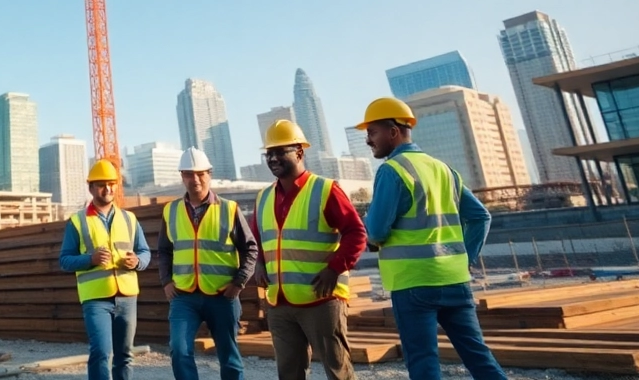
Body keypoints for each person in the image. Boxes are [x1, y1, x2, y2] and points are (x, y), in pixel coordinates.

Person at [357, 97, 507, 380]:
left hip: (413, 283)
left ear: (393, 132)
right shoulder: (444, 169)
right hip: (454, 279)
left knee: (423, 362)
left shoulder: (392, 171)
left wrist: (367, 221)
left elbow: (376, 232)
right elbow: (480, 217)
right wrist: (466, 257)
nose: (368, 140)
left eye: (372, 132)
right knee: (478, 357)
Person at [253, 120, 366, 380]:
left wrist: (335, 268)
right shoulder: (264, 197)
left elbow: (356, 233)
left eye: (280, 151)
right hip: (279, 301)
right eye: (269, 153)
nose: (273, 158)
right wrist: (260, 262)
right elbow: (259, 239)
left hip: (321, 300)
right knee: (289, 373)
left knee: (337, 371)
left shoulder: (325, 190)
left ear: (300, 152)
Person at [158, 147, 260, 380]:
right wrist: (166, 281)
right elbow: (164, 250)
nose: (195, 179)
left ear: (210, 174)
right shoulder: (170, 211)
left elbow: (250, 248)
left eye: (201, 173)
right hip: (184, 296)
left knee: (229, 356)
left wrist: (239, 282)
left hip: (222, 296)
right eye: (189, 174)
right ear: (182, 176)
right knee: (179, 350)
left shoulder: (228, 209)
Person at [59, 159, 152, 380]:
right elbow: (65, 260)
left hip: (127, 298)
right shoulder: (77, 221)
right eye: (101, 184)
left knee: (125, 354)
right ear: (90, 187)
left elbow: (145, 253)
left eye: (111, 183)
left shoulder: (129, 219)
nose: (107, 188)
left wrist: (137, 262)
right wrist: (90, 259)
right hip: (96, 298)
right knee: (101, 352)